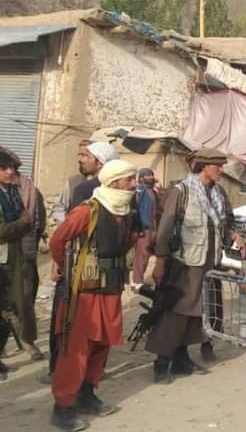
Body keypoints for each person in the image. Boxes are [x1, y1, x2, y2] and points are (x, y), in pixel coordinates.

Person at [49, 159, 138, 431]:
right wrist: (64, 268)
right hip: (85, 291)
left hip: (111, 287)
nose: (134, 184)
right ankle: (63, 406)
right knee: (76, 348)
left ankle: (86, 394)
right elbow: (58, 240)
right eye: (129, 179)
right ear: (114, 182)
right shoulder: (88, 210)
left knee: (102, 344)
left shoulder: (126, 211)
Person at [146, 148, 243, 383]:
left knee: (199, 311)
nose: (221, 170)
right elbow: (166, 228)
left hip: (209, 262)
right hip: (185, 263)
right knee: (177, 312)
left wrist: (234, 235)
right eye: (216, 165)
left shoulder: (218, 193)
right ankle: (162, 362)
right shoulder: (183, 192)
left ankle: (181, 358)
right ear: (203, 166)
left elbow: (225, 222)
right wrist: (160, 261)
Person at [0, 150, 33, 381]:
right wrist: (21, 223)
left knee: (10, 308)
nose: (10, 172)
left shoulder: (11, 192)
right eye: (4, 168)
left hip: (11, 258)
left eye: (12, 168)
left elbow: (29, 222)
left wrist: (21, 224)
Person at [69, 142, 119, 209]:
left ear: (99, 163)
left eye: (87, 156)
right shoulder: (122, 184)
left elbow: (78, 215)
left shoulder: (84, 189)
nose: (81, 160)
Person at [131, 168, 158, 290]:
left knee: (146, 255)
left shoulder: (152, 191)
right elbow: (135, 208)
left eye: (151, 175)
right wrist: (138, 227)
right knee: (141, 255)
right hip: (143, 227)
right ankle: (136, 282)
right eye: (147, 175)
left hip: (152, 227)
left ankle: (140, 279)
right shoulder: (140, 190)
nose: (150, 177)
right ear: (141, 178)